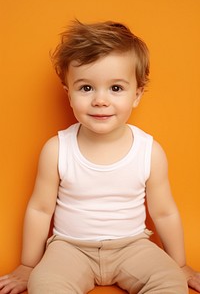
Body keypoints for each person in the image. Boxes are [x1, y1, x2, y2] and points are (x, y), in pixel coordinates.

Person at [0, 20, 200, 294]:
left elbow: (164, 212)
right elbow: (40, 209)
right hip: (69, 248)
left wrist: (180, 264)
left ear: (137, 94)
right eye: (86, 88)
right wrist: (28, 265)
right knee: (43, 285)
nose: (100, 100)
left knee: (171, 283)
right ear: (68, 94)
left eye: (116, 88)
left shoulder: (149, 151)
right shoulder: (57, 149)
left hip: (133, 246)